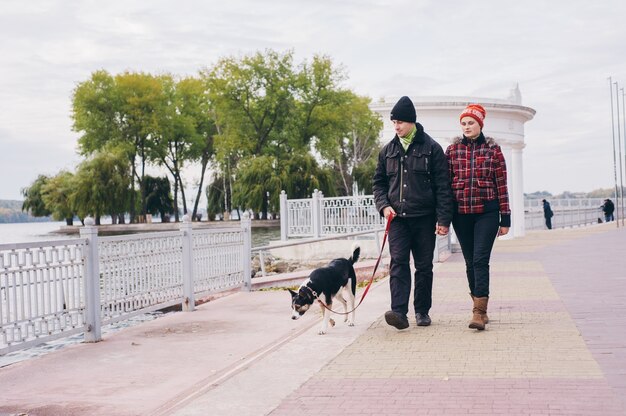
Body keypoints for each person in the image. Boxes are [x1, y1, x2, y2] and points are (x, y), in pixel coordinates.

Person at [373, 96, 453, 330]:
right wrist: (383, 205)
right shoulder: (387, 151)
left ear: (412, 122)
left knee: (424, 266)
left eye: (400, 122)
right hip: (397, 218)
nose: (396, 127)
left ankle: (422, 311)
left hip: (424, 218)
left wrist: (443, 219)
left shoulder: (432, 149)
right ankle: (398, 312)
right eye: (393, 122)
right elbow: (378, 184)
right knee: (398, 262)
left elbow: (442, 187)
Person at [445, 104, 510, 331]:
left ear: (480, 124)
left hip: (487, 213)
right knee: (470, 261)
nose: (466, 127)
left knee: (480, 260)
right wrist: (443, 217)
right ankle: (477, 303)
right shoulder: (452, 150)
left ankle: (479, 312)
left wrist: (506, 218)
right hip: (461, 214)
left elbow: (501, 184)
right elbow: (444, 186)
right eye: (463, 123)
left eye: (471, 123)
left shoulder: (493, 150)